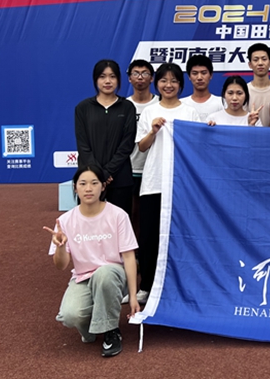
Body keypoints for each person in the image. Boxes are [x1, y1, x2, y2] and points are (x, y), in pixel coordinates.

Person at [44, 165, 139, 358]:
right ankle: (94, 325)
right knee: (70, 316)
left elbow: (129, 257)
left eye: (94, 183)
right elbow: (61, 265)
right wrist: (61, 246)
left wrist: (133, 296)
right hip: (84, 277)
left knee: (104, 274)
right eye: (83, 184)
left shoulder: (118, 215)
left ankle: (111, 331)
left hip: (113, 275)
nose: (88, 188)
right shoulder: (65, 221)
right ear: (75, 187)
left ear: (103, 187)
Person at [135, 62, 201, 303]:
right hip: (154, 182)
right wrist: (153, 131)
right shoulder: (149, 112)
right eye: (164, 80)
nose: (169, 85)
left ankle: (179, 286)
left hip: (182, 185)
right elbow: (142, 147)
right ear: (157, 83)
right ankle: (147, 285)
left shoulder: (190, 112)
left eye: (174, 80)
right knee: (149, 237)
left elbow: (198, 144)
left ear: (181, 85)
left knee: (180, 236)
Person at [75, 59, 137, 217]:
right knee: (89, 224)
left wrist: (107, 172)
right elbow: (83, 145)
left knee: (120, 224)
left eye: (112, 76)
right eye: (102, 76)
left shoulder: (127, 107)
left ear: (118, 80)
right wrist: (98, 173)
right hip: (90, 177)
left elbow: (127, 144)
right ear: (96, 79)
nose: (107, 81)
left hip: (120, 177)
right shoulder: (83, 108)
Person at [126, 59, 158, 242]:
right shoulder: (123, 105)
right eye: (135, 73)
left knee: (151, 216)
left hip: (154, 170)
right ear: (129, 78)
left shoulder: (161, 104)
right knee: (132, 214)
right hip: (130, 168)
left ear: (152, 78)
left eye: (145, 73)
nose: (140, 77)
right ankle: (132, 252)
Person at [182, 54, 223, 122]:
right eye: (195, 73)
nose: (199, 78)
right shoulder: (182, 104)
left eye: (204, 73)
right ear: (189, 76)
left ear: (211, 75)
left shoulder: (222, 103)